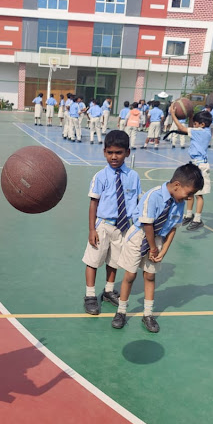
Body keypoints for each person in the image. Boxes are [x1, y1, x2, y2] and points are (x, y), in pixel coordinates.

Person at [111, 164, 204, 332]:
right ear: (177, 185)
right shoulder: (153, 196)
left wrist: (163, 251)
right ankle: (121, 311)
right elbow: (147, 224)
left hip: (158, 239)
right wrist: (153, 247)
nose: (189, 198)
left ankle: (148, 314)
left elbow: (173, 228)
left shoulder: (179, 202)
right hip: (139, 236)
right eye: (189, 193)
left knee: (150, 276)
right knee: (130, 275)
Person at [83, 130, 141, 315]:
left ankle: (108, 291)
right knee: (93, 260)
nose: (114, 157)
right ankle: (90, 295)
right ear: (104, 152)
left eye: (118, 152)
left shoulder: (134, 176)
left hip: (123, 226)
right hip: (103, 225)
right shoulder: (100, 176)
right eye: (110, 152)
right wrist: (92, 229)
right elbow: (94, 203)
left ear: (127, 153)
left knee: (114, 261)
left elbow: (137, 201)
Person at [171, 109, 213, 231]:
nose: (193, 125)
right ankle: (189, 214)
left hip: (201, 166)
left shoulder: (201, 132)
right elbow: (190, 128)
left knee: (199, 194)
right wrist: (190, 116)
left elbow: (182, 128)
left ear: (202, 124)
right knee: (190, 191)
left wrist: (173, 114)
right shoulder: (204, 131)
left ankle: (198, 218)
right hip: (195, 164)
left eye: (195, 123)